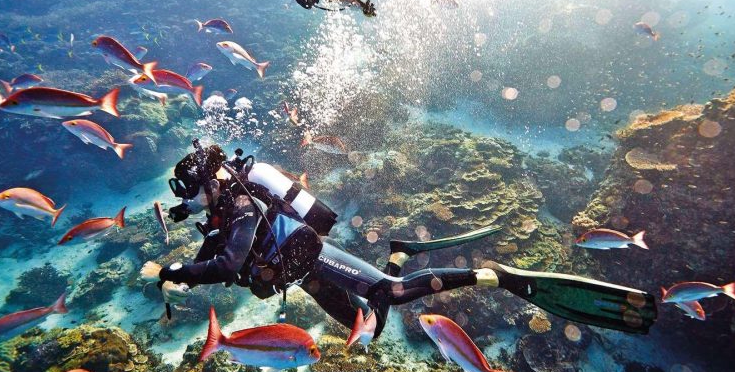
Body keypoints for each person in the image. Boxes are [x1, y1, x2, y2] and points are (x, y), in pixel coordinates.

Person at [141, 141, 658, 338]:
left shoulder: (238, 207)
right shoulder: (222, 214)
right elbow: (213, 257)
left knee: (389, 292)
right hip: (299, 276)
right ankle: (399, 250)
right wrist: (183, 271)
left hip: (310, 259)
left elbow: (228, 265)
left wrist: (172, 272)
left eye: (194, 192)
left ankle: (495, 276)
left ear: (212, 184)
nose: (192, 203)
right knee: (363, 327)